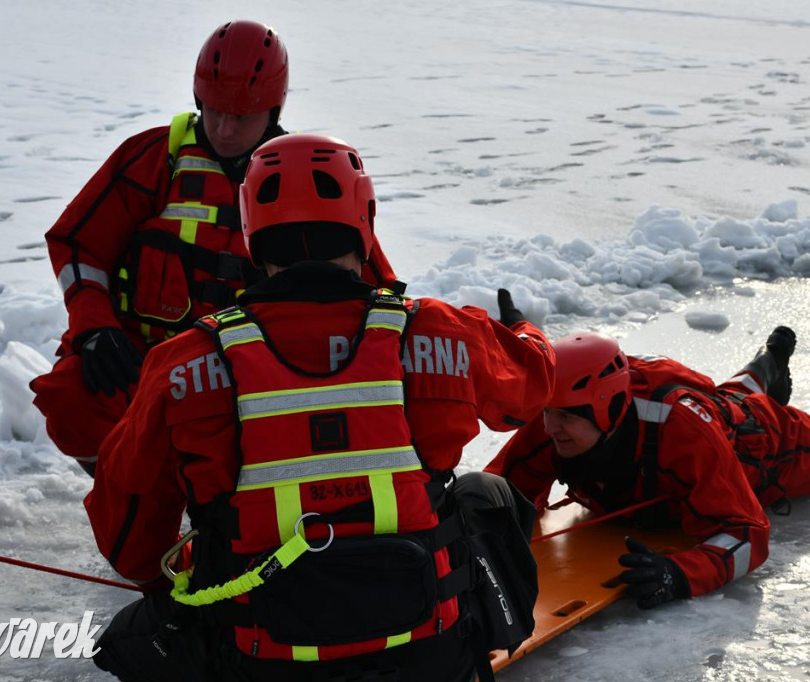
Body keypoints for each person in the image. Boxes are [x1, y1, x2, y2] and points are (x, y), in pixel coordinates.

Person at [84, 133, 555, 681]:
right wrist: (526, 330)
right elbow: (532, 387)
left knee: (126, 638)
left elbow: (128, 535)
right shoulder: (438, 328)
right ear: (364, 220)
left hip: (258, 660)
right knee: (485, 493)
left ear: (250, 234)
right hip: (428, 657)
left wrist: (193, 567)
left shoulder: (182, 361)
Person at [30, 20, 398, 475]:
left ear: (274, 111)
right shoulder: (152, 158)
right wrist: (93, 326)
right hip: (143, 365)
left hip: (249, 380)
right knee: (70, 397)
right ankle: (132, 497)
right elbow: (78, 242)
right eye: (213, 111)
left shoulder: (305, 174)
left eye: (241, 117)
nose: (223, 129)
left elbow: (375, 285)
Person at [485, 328, 810, 610]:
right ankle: (768, 367)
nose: (551, 427)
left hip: (758, 445)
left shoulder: (681, 432)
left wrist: (680, 574)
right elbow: (500, 493)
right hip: (713, 410)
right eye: (548, 413)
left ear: (607, 406)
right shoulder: (557, 415)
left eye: (565, 416)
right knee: (725, 400)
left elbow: (746, 534)